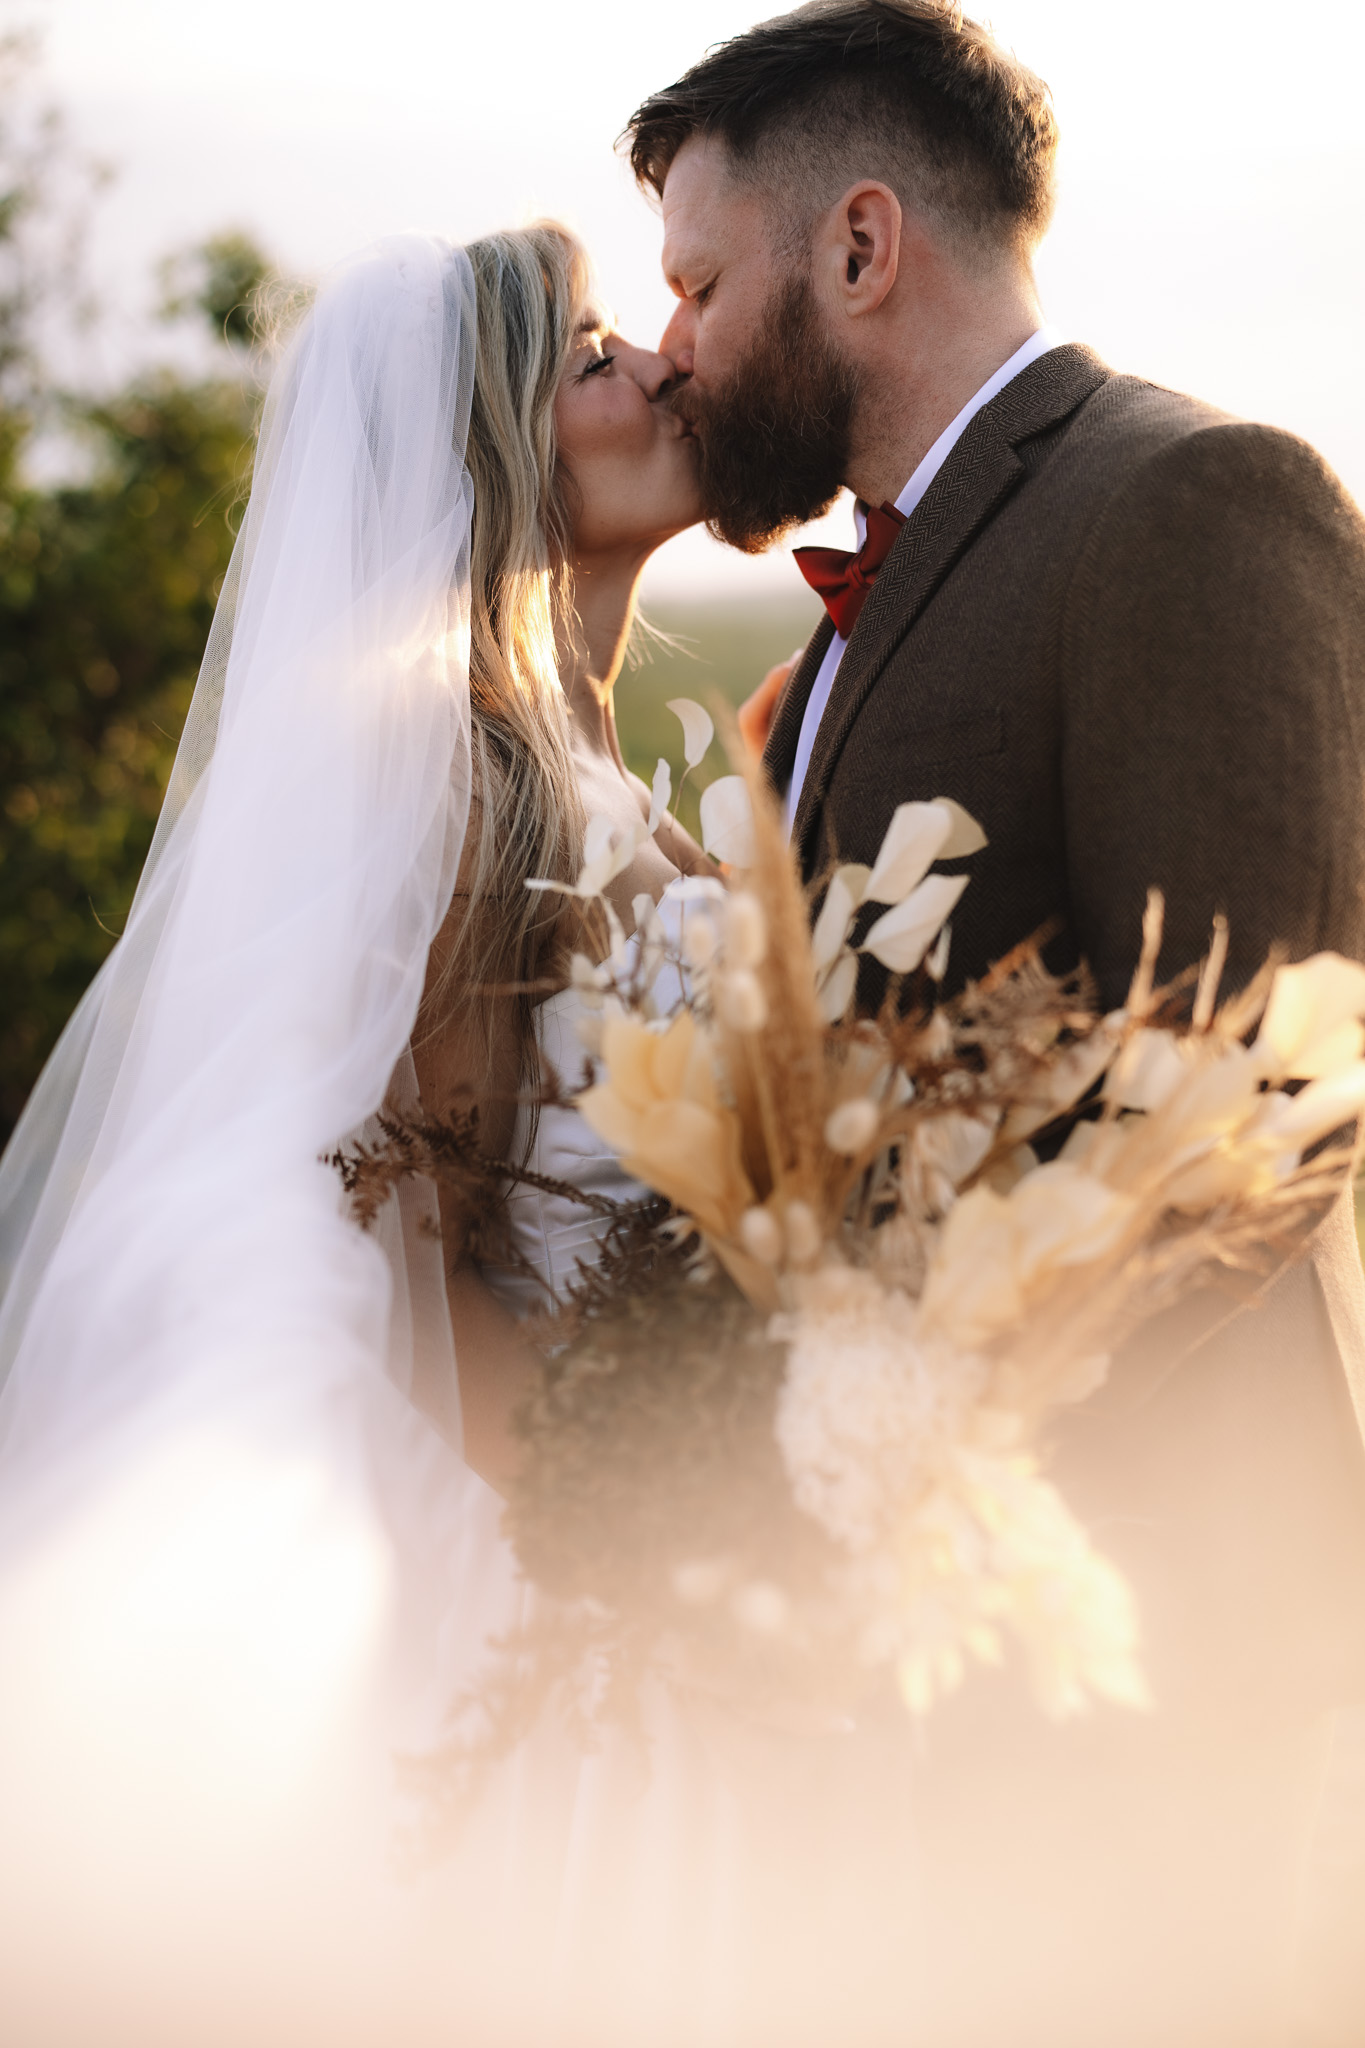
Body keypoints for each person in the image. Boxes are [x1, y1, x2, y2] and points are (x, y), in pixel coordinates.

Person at [623, 3, 1365, 2043]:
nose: (671, 342)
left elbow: (1253, 1099)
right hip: (930, 1640)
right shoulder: (875, 598)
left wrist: (899, 1433)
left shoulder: (1191, 497)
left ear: (858, 248)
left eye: (697, 282)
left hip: (1139, 1622)